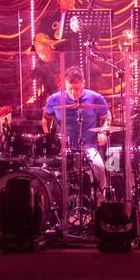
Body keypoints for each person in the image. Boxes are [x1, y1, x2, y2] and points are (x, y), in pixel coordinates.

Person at [42, 67, 111, 199]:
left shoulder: (96, 98)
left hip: (88, 147)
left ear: (83, 83)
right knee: (45, 172)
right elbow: (45, 118)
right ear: (65, 85)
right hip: (61, 149)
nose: (74, 93)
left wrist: (103, 131)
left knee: (99, 168)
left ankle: (99, 204)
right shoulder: (54, 99)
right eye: (70, 89)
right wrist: (48, 138)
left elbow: (107, 117)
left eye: (77, 89)